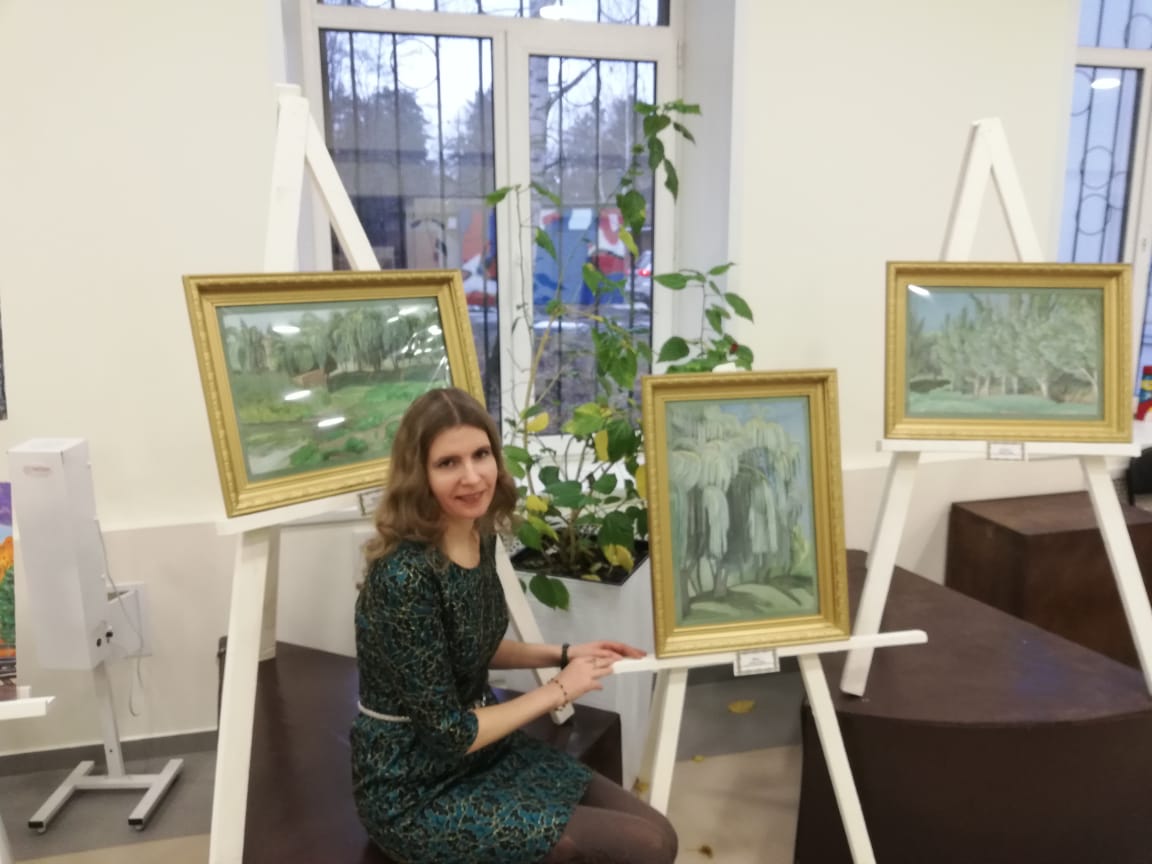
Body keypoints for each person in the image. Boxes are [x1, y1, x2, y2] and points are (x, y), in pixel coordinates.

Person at [352, 387, 678, 864]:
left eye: (480, 454)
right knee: (646, 847)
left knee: (661, 834)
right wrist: (559, 689)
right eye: (448, 463)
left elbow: (476, 646)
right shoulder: (404, 577)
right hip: (413, 788)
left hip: (483, 752)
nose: (472, 477)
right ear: (418, 474)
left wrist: (565, 653)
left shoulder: (479, 536)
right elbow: (449, 734)